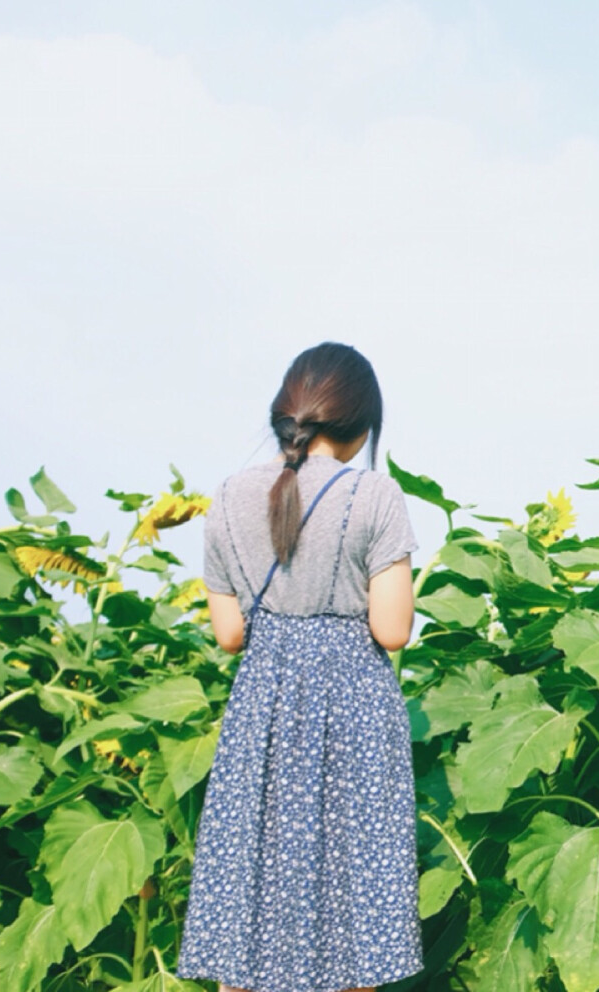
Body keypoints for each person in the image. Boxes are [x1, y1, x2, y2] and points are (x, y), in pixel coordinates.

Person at [176, 342, 424, 992]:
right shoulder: (375, 495)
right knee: (354, 921)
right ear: (362, 424)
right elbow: (392, 630)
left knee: (250, 908)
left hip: (264, 716)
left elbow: (230, 633)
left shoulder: (229, 498)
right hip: (354, 724)